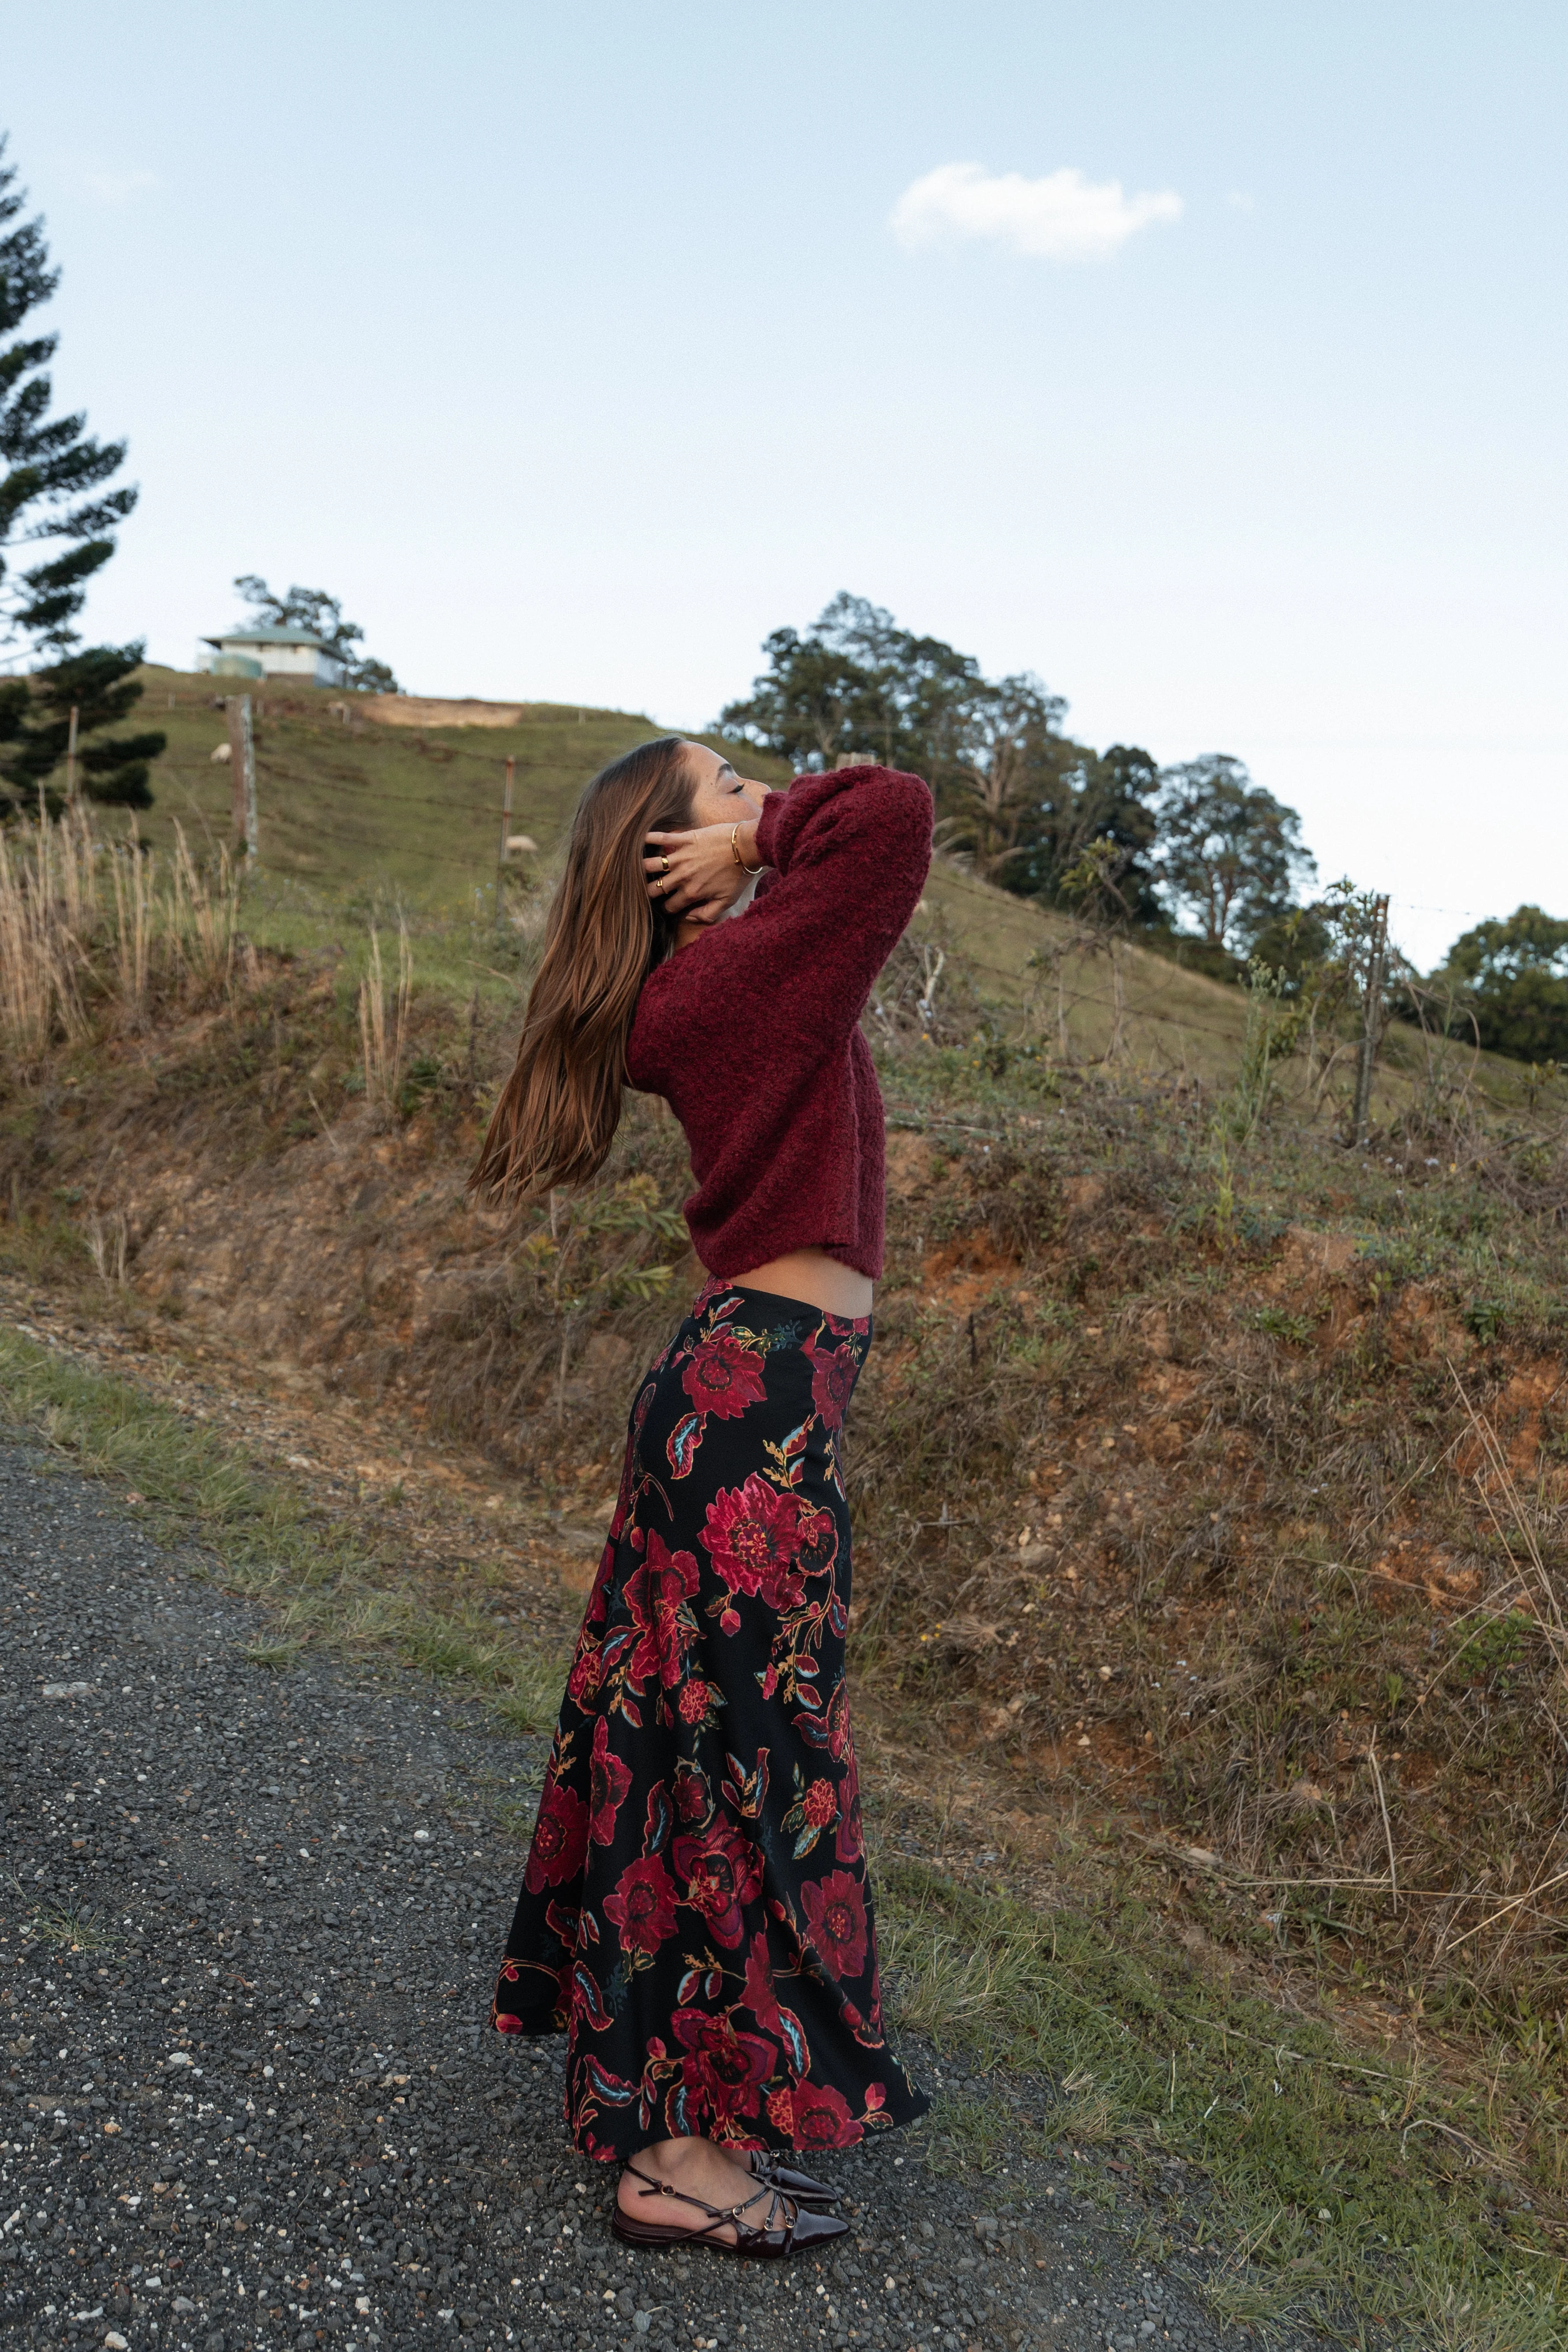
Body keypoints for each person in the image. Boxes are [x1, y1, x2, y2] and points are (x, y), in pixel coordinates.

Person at [470, 734, 933, 2259]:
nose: (756, 799)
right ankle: (673, 2156)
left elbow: (859, 837)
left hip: (755, 1400)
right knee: (738, 1767)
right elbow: (889, 814)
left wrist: (749, 845)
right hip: (752, 1410)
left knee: (703, 1758)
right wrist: (767, 839)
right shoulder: (737, 974)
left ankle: (688, 2124)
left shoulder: (736, 973)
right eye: (726, 787)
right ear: (667, 857)